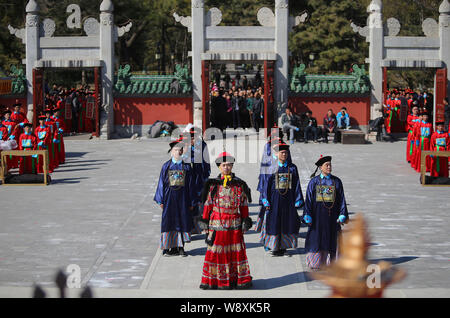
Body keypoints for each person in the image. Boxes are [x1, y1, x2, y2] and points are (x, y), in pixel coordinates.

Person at [199, 152, 253, 290]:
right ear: (219, 167)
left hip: (234, 224)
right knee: (215, 253)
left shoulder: (239, 185)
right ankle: (215, 280)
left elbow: (243, 205)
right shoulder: (213, 185)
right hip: (217, 224)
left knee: (235, 253)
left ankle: (236, 280)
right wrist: (205, 222)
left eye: (229, 165)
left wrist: (245, 221)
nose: (227, 167)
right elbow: (208, 205)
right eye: (224, 165)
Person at [302, 156, 349, 270]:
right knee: (317, 239)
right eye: (326, 165)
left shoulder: (336, 181)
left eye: (330, 165)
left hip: (332, 216)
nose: (329, 167)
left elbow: (342, 199)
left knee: (333, 239)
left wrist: (342, 213)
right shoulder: (314, 182)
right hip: (317, 216)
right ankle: (317, 262)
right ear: (320, 167)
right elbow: (308, 200)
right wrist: (307, 214)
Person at [154, 137, 197, 257]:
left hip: (183, 199)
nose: (177, 152)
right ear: (171, 152)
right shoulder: (166, 166)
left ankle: (180, 247)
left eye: (179, 150)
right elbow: (161, 183)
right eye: (175, 150)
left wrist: (192, 201)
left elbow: (191, 185)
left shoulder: (187, 167)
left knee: (182, 221)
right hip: (169, 199)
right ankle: (168, 248)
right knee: (169, 222)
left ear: (182, 152)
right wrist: (160, 199)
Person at [259, 143, 304, 257]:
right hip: (274, 199)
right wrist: (265, 199)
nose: (284, 154)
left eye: (286, 153)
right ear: (276, 154)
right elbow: (266, 185)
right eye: (282, 152)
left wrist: (298, 198)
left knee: (286, 222)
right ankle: (274, 247)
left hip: (288, 199)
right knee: (274, 222)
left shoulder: (292, 168)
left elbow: (297, 184)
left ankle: (283, 247)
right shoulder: (271, 167)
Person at [184, 127, 211, 234]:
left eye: (195, 136)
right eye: (192, 136)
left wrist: (206, 175)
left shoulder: (203, 146)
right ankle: (191, 226)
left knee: (200, 201)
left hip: (200, 178)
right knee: (190, 202)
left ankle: (198, 225)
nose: (193, 139)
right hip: (189, 179)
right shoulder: (186, 147)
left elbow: (206, 161)